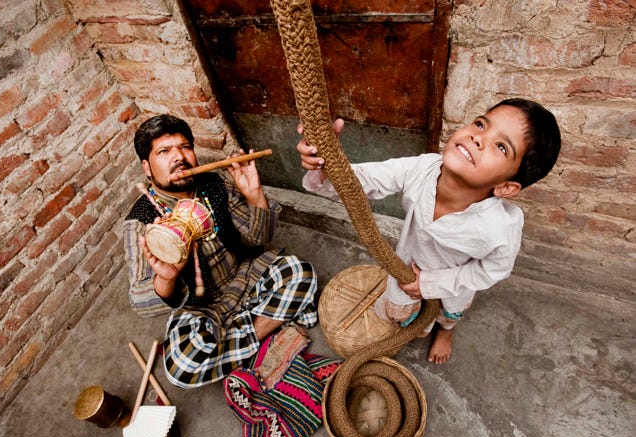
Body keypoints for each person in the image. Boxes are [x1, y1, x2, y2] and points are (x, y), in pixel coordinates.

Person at [297, 98, 561, 364]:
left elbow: (493, 269)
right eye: (481, 124)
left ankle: (446, 332)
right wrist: (326, 163)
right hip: (407, 269)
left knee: (449, 311)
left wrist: (431, 284)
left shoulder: (500, 227)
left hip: (453, 282)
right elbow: (360, 181)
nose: (478, 138)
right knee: (401, 312)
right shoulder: (422, 169)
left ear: (505, 187)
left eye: (501, 147)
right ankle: (420, 324)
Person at [124, 114, 318, 388]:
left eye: (185, 147)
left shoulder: (213, 184)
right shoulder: (142, 221)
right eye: (164, 151)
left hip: (244, 275)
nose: (179, 157)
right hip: (202, 306)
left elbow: (257, 240)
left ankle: (238, 342)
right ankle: (266, 328)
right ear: (147, 166)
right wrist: (165, 280)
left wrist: (255, 197)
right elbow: (139, 302)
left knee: (300, 272)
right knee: (182, 365)